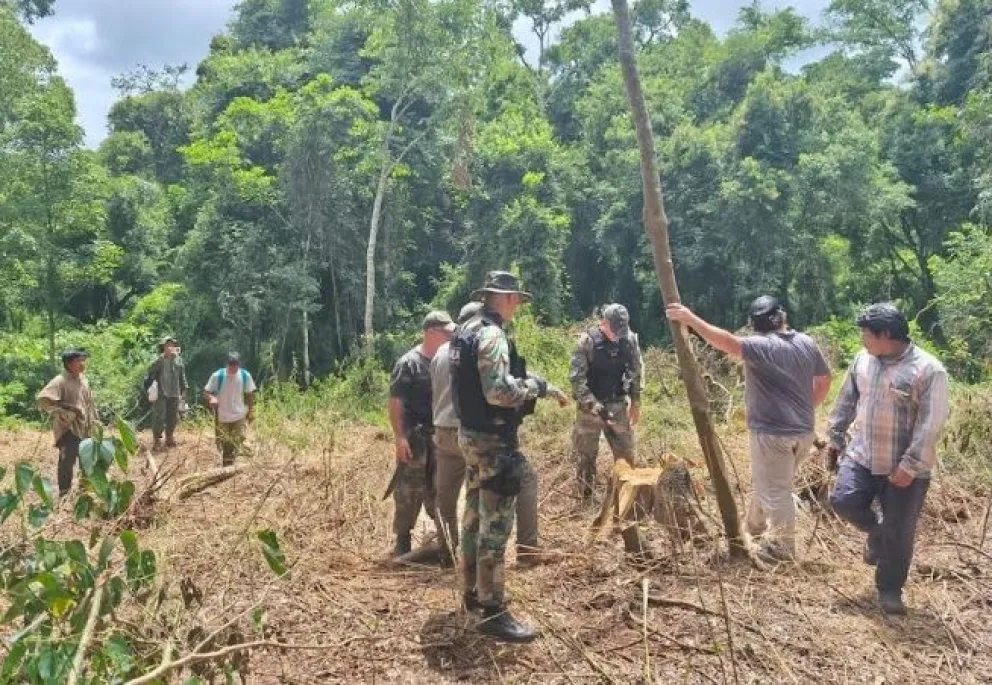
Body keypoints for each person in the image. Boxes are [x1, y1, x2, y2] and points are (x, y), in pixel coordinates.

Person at [666, 296, 832, 562]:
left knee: (777, 489)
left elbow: (724, 341)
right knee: (772, 481)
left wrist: (690, 319)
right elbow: (824, 381)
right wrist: (805, 407)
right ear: (782, 317)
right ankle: (754, 526)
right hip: (804, 431)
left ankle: (783, 548)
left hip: (772, 434)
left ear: (755, 325)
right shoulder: (806, 343)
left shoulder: (760, 346)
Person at [451, 271, 568, 642]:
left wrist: (544, 386)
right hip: (493, 443)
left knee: (472, 516)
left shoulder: (465, 332)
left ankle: (469, 593)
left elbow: (496, 375)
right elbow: (500, 392)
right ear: (504, 298)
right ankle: (492, 610)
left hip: (470, 437)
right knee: (495, 526)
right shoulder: (491, 334)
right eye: (515, 298)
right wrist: (533, 388)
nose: (517, 304)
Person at [827, 303, 949, 615]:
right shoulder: (863, 360)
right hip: (863, 455)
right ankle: (876, 532)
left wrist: (910, 465)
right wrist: (835, 435)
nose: (861, 340)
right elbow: (847, 398)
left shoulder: (928, 370)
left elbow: (930, 423)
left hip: (905, 466)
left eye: (866, 334)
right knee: (844, 500)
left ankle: (890, 589)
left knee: (900, 530)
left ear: (885, 335)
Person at [431, 302, 545, 569]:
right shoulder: (487, 343)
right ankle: (523, 555)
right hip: (482, 434)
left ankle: (448, 553)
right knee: (501, 505)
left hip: (450, 432)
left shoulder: (443, 353)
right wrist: (532, 388)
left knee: (452, 497)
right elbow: (497, 390)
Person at [386, 311, 456, 557]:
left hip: (440, 437)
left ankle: (446, 544)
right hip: (414, 439)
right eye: (446, 332)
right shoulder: (409, 363)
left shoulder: (447, 360)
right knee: (408, 491)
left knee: (441, 489)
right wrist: (400, 437)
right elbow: (396, 402)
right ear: (430, 332)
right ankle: (402, 541)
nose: (450, 336)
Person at [569, 304, 643, 501]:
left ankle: (627, 497)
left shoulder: (629, 341)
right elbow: (577, 380)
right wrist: (595, 407)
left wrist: (636, 401)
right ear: (603, 323)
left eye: (621, 332)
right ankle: (586, 498)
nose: (617, 336)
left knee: (626, 452)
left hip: (618, 405)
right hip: (589, 409)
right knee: (586, 456)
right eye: (614, 331)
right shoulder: (587, 342)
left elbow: (636, 372)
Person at [36, 349, 99, 495]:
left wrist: (96, 421)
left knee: (86, 461)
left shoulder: (83, 379)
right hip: (69, 428)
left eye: (83, 360)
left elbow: (90, 403)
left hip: (86, 427)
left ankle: (85, 493)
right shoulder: (60, 381)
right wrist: (63, 413)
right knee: (67, 463)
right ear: (69, 364)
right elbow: (43, 400)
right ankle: (64, 494)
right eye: (78, 361)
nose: (82, 364)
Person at [203, 352, 257, 466]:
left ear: (239, 365)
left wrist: (251, 410)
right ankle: (227, 464)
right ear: (226, 364)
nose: (233, 369)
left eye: (235, 366)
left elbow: (250, 394)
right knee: (225, 441)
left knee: (238, 438)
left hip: (239, 414)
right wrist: (211, 398)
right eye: (231, 366)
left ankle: (231, 463)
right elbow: (206, 392)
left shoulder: (245, 376)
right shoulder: (217, 376)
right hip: (222, 415)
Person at [145, 335, 188, 452]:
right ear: (163, 347)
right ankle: (157, 439)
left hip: (174, 392)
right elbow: (149, 372)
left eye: (172, 345)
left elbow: (182, 375)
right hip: (161, 393)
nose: (170, 347)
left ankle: (169, 437)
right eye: (167, 345)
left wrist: (184, 389)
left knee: (173, 417)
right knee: (159, 416)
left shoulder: (178, 359)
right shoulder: (158, 360)